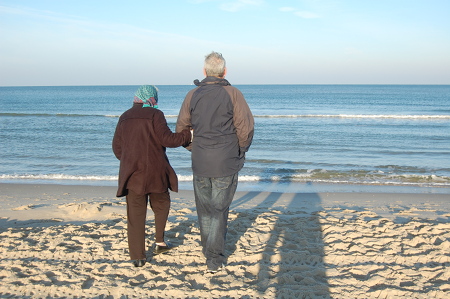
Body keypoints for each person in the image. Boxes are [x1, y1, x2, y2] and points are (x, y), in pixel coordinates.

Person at [176, 52, 254, 273]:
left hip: (203, 160)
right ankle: (213, 257)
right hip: (224, 161)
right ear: (224, 72)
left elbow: (181, 129)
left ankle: (211, 253)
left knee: (207, 209)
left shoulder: (192, 95)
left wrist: (194, 147)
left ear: (204, 72)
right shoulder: (233, 93)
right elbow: (245, 129)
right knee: (218, 209)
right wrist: (239, 150)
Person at [113, 85, 192, 267]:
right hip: (156, 172)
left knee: (135, 215)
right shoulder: (156, 115)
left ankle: (137, 257)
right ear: (152, 98)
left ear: (137, 97)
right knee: (162, 204)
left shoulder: (124, 116)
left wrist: (130, 161)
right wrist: (189, 134)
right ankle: (159, 242)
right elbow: (168, 140)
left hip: (133, 174)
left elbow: (117, 148)